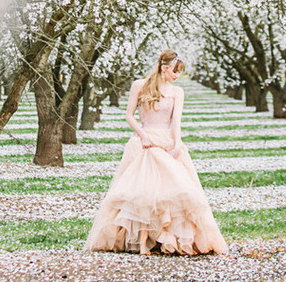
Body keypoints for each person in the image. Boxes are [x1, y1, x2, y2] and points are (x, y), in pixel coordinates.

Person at [85, 49, 228, 256]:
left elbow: (175, 121)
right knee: (141, 192)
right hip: (144, 142)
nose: (177, 76)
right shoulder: (139, 86)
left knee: (176, 189)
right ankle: (140, 241)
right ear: (164, 68)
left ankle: (168, 239)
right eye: (174, 71)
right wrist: (142, 135)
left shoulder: (177, 92)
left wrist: (177, 143)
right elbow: (129, 115)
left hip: (167, 141)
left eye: (179, 72)